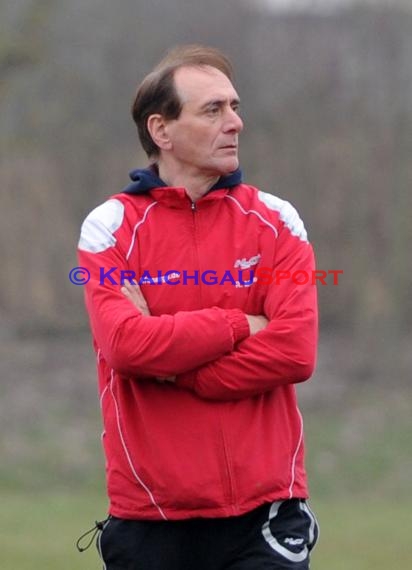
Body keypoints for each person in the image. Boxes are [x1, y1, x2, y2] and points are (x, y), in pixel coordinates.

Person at [77, 44, 319, 570]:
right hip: (150, 516)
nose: (235, 123)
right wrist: (239, 324)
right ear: (161, 131)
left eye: (234, 106)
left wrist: (179, 370)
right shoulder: (108, 228)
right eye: (213, 110)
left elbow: (295, 352)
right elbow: (125, 346)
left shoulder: (279, 220)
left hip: (266, 514)